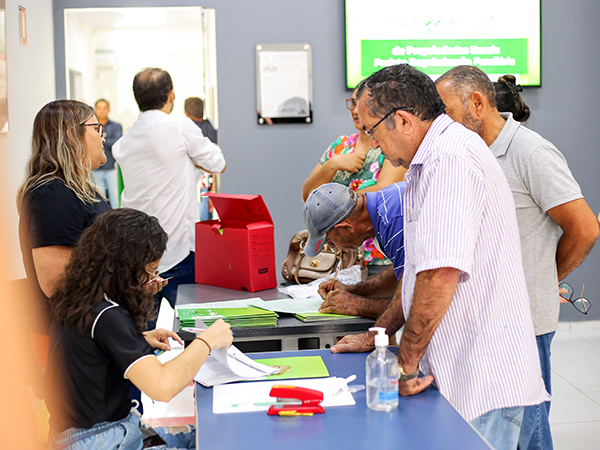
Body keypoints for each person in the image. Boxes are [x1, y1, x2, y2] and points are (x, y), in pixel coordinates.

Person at [331, 64, 550, 450]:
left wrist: (405, 362)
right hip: (459, 372)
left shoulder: (449, 160)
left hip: (481, 381)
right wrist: (379, 335)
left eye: (371, 130)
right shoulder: (426, 164)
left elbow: (439, 275)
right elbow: (417, 271)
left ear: (401, 119)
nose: (373, 145)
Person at [435, 65, 599, 450]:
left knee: (529, 432)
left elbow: (586, 228)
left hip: (525, 322)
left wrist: (545, 275)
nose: (442, 123)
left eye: (447, 112)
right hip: (484, 319)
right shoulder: (466, 153)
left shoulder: (530, 151)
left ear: (477, 102)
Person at [46, 208, 233, 450]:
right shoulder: (108, 316)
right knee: (213, 440)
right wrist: (207, 341)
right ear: (125, 268)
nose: (151, 280)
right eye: (149, 272)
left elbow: (87, 350)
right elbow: (162, 386)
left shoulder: (79, 295)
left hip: (75, 435)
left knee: (203, 436)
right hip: (102, 440)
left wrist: (138, 339)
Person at [113, 68, 226, 321]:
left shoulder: (124, 141)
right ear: (171, 95)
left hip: (136, 255)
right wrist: (192, 162)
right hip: (175, 252)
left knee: (147, 331)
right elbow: (219, 163)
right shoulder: (179, 126)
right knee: (182, 331)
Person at [17, 100, 112, 338]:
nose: (103, 136)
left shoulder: (75, 188)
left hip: (90, 327)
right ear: (72, 135)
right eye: (96, 128)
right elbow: (57, 283)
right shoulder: (52, 194)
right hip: (70, 337)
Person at [302, 85, 406, 274]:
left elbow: (385, 190)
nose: (355, 110)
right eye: (351, 103)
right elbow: (310, 196)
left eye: (361, 104)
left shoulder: (391, 146)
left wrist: (335, 204)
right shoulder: (340, 146)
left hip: (381, 257)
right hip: (343, 257)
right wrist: (333, 164)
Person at [303, 182, 406, 321]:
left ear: (345, 228)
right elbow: (407, 271)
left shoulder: (394, 221)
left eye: (330, 241)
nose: (333, 247)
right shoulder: (385, 205)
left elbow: (418, 304)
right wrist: (353, 290)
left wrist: (356, 305)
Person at [184, 96, 219, 221]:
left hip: (195, 187)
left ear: (185, 113)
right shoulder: (213, 132)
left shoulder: (184, 132)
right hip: (207, 186)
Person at [92, 99, 123, 207]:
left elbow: (117, 143)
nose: (101, 111)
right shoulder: (91, 127)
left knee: (115, 199)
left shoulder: (116, 126)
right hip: (96, 169)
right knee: (99, 201)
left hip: (111, 168)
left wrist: (100, 139)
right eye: (99, 108)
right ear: (95, 109)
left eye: (104, 108)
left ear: (108, 110)